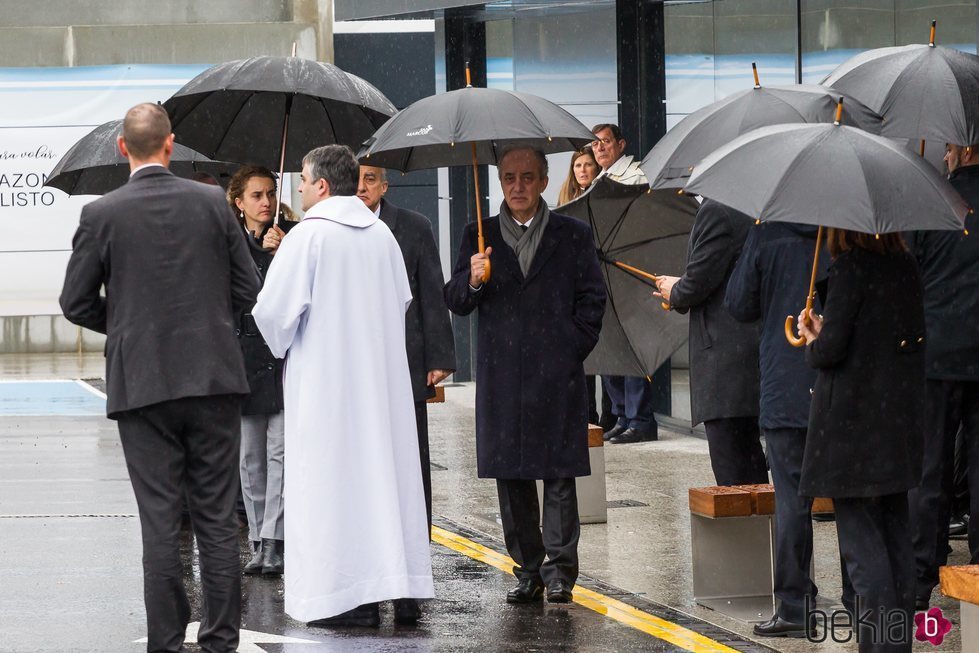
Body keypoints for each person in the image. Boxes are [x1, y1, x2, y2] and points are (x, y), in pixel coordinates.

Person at [59, 103, 259, 653]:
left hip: (143, 383)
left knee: (162, 524)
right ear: (170, 145)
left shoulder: (102, 215)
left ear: (123, 148)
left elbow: (75, 302)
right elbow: (248, 290)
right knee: (218, 519)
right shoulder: (211, 205)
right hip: (213, 377)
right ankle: (221, 641)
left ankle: (166, 643)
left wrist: (126, 325)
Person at [251, 145, 432, 628]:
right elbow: (401, 302)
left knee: (333, 489)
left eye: (305, 182)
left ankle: (344, 597)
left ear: (323, 186)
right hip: (380, 386)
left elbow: (272, 318)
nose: (301, 190)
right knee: (381, 483)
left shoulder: (307, 238)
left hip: (327, 390)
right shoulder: (383, 237)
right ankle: (395, 584)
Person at [444, 146, 606, 604]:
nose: (518, 186)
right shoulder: (479, 233)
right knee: (511, 476)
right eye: (510, 178)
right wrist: (474, 279)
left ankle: (560, 573)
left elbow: (593, 300)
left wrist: (569, 348)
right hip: (503, 376)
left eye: (528, 177)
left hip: (556, 374)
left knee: (558, 474)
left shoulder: (572, 235)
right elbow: (455, 299)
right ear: (499, 182)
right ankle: (528, 569)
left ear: (542, 180)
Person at [798, 229, 924, 652]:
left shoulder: (852, 268)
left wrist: (814, 337)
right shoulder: (905, 265)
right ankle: (897, 643)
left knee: (863, 551)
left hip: (852, 432)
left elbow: (832, 350)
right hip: (895, 426)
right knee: (895, 541)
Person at [725, 222, 853, 637]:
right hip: (838, 380)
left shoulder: (766, 231)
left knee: (792, 500)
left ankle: (795, 606)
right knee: (851, 498)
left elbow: (739, 303)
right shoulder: (847, 230)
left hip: (785, 384)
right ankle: (860, 599)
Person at [356, 164, 456, 542]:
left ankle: (414, 538)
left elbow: (432, 292)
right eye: (357, 179)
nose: (362, 186)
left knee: (411, 458)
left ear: (385, 183)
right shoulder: (334, 229)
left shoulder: (414, 226)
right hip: (360, 362)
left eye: (370, 179)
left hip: (406, 357)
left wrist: (440, 356)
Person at [907, 141, 979, 610]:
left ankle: (920, 576)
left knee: (928, 465)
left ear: (963, 147)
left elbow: (908, 276)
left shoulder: (931, 201)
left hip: (933, 354)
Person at [654, 199, 767, 485]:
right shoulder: (745, 206)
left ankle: (746, 530)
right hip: (740, 353)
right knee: (746, 459)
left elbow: (698, 281)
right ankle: (754, 528)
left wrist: (675, 291)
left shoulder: (717, 210)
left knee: (733, 470)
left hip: (725, 357)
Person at [226, 166, 286, 576]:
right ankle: (256, 540)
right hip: (243, 354)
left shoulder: (295, 236)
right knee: (250, 457)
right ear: (239, 201)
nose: (265, 203)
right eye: (256, 195)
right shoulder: (229, 243)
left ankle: (275, 539)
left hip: (281, 354)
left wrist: (282, 253)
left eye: (270, 194)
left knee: (281, 452)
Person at [589, 123, 656, 443]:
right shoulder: (595, 181)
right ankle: (621, 414)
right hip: (604, 276)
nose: (599, 149)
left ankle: (640, 419)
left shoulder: (637, 176)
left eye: (605, 142)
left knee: (631, 348)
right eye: (595, 145)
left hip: (629, 271)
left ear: (620, 144)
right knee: (610, 346)